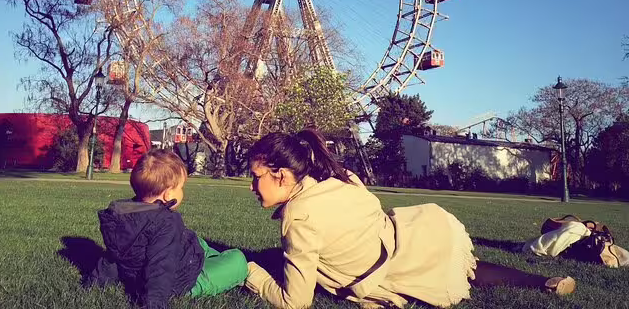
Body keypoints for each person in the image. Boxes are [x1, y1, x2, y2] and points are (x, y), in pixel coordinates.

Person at [244, 129, 576, 309]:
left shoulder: (299, 220)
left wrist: (250, 272)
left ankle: (541, 283)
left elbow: (296, 302)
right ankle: (542, 283)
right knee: (469, 266)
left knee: (463, 271)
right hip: (413, 236)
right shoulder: (340, 179)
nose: (251, 186)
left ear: (282, 175)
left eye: (256, 176)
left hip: (392, 270)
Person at [85, 150, 248, 309]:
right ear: (168, 194)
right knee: (238, 260)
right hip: (181, 281)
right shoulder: (166, 222)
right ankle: (239, 270)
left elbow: (113, 255)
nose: (183, 191)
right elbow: (161, 264)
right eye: (181, 187)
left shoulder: (123, 215)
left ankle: (208, 255)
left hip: (183, 254)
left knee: (197, 242)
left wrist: (95, 282)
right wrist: (155, 303)